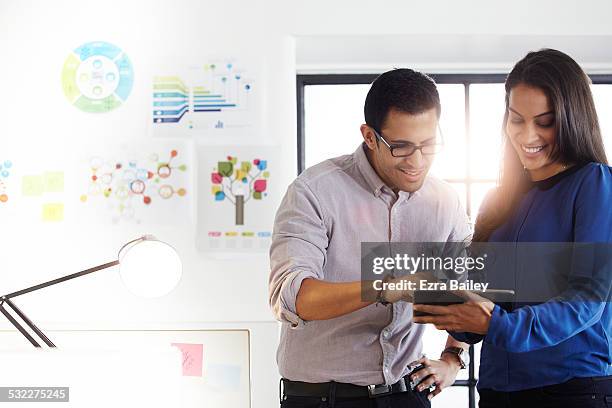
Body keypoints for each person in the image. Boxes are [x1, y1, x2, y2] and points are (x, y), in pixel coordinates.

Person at [412, 49, 612, 407]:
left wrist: (498, 325)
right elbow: (487, 305)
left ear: (572, 118)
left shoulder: (594, 183)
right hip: (497, 392)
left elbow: (588, 297)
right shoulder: (498, 201)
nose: (527, 134)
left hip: (571, 390)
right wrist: (447, 306)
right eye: (517, 119)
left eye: (545, 121)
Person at [269, 68, 472, 408]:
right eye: (401, 147)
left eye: (428, 145)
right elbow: (292, 296)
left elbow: (472, 280)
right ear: (369, 136)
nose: (417, 161)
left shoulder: (444, 201)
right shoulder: (314, 192)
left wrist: (453, 357)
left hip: (408, 395)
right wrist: (386, 287)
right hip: (323, 399)